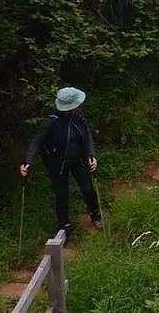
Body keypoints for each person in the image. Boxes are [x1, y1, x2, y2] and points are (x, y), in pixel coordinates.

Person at [21, 87, 101, 242]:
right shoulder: (50, 122)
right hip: (58, 163)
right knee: (61, 195)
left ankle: (95, 213)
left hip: (79, 159)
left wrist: (92, 154)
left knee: (88, 188)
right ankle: (64, 225)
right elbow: (37, 141)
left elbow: (87, 135)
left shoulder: (78, 116)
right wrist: (28, 161)